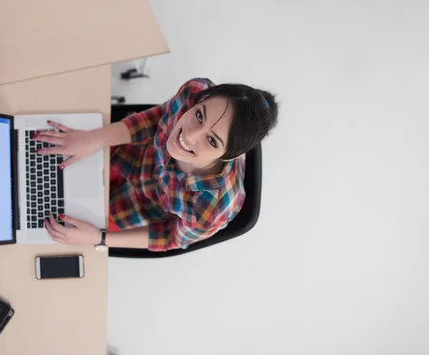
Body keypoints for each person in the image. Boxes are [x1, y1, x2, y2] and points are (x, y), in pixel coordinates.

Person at [34, 78, 278, 251]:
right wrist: (93, 139)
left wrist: (100, 238)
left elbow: (170, 236)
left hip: (136, 205)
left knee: (49, 223)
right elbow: (154, 119)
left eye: (212, 140)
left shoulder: (214, 207)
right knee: (42, 166)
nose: (190, 136)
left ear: (229, 156)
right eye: (199, 115)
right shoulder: (195, 90)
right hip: (129, 153)